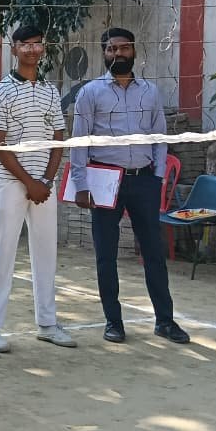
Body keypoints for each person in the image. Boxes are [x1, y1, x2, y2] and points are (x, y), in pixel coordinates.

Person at [71, 27, 190, 345]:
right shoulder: (90, 92)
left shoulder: (150, 92)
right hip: (105, 181)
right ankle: (113, 321)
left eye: (124, 48)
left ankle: (165, 321)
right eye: (112, 49)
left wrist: (158, 177)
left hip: (144, 180)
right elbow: (79, 140)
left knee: (153, 253)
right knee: (105, 255)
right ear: (104, 53)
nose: (118, 54)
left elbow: (159, 136)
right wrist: (80, 184)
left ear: (134, 51)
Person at [0, 24, 76, 352]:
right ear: (14, 49)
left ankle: (47, 323)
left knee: (46, 252)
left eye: (38, 44)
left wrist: (46, 181)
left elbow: (58, 138)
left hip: (43, 186)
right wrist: (29, 182)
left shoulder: (50, 91)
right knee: (2, 252)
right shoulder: (0, 92)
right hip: (12, 183)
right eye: (26, 44)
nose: (33, 49)